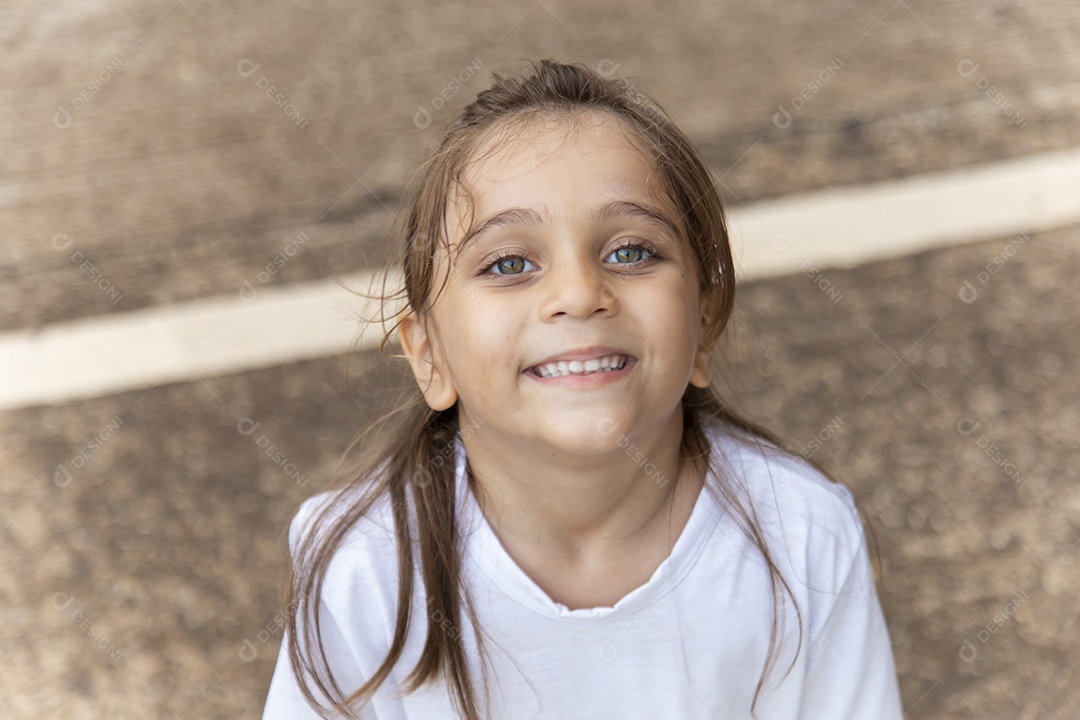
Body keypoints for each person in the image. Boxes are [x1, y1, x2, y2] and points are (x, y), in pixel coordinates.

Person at [261, 59, 903, 719]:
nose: (577, 293)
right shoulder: (364, 571)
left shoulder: (804, 538)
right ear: (429, 356)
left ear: (705, 321)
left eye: (631, 252)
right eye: (509, 263)